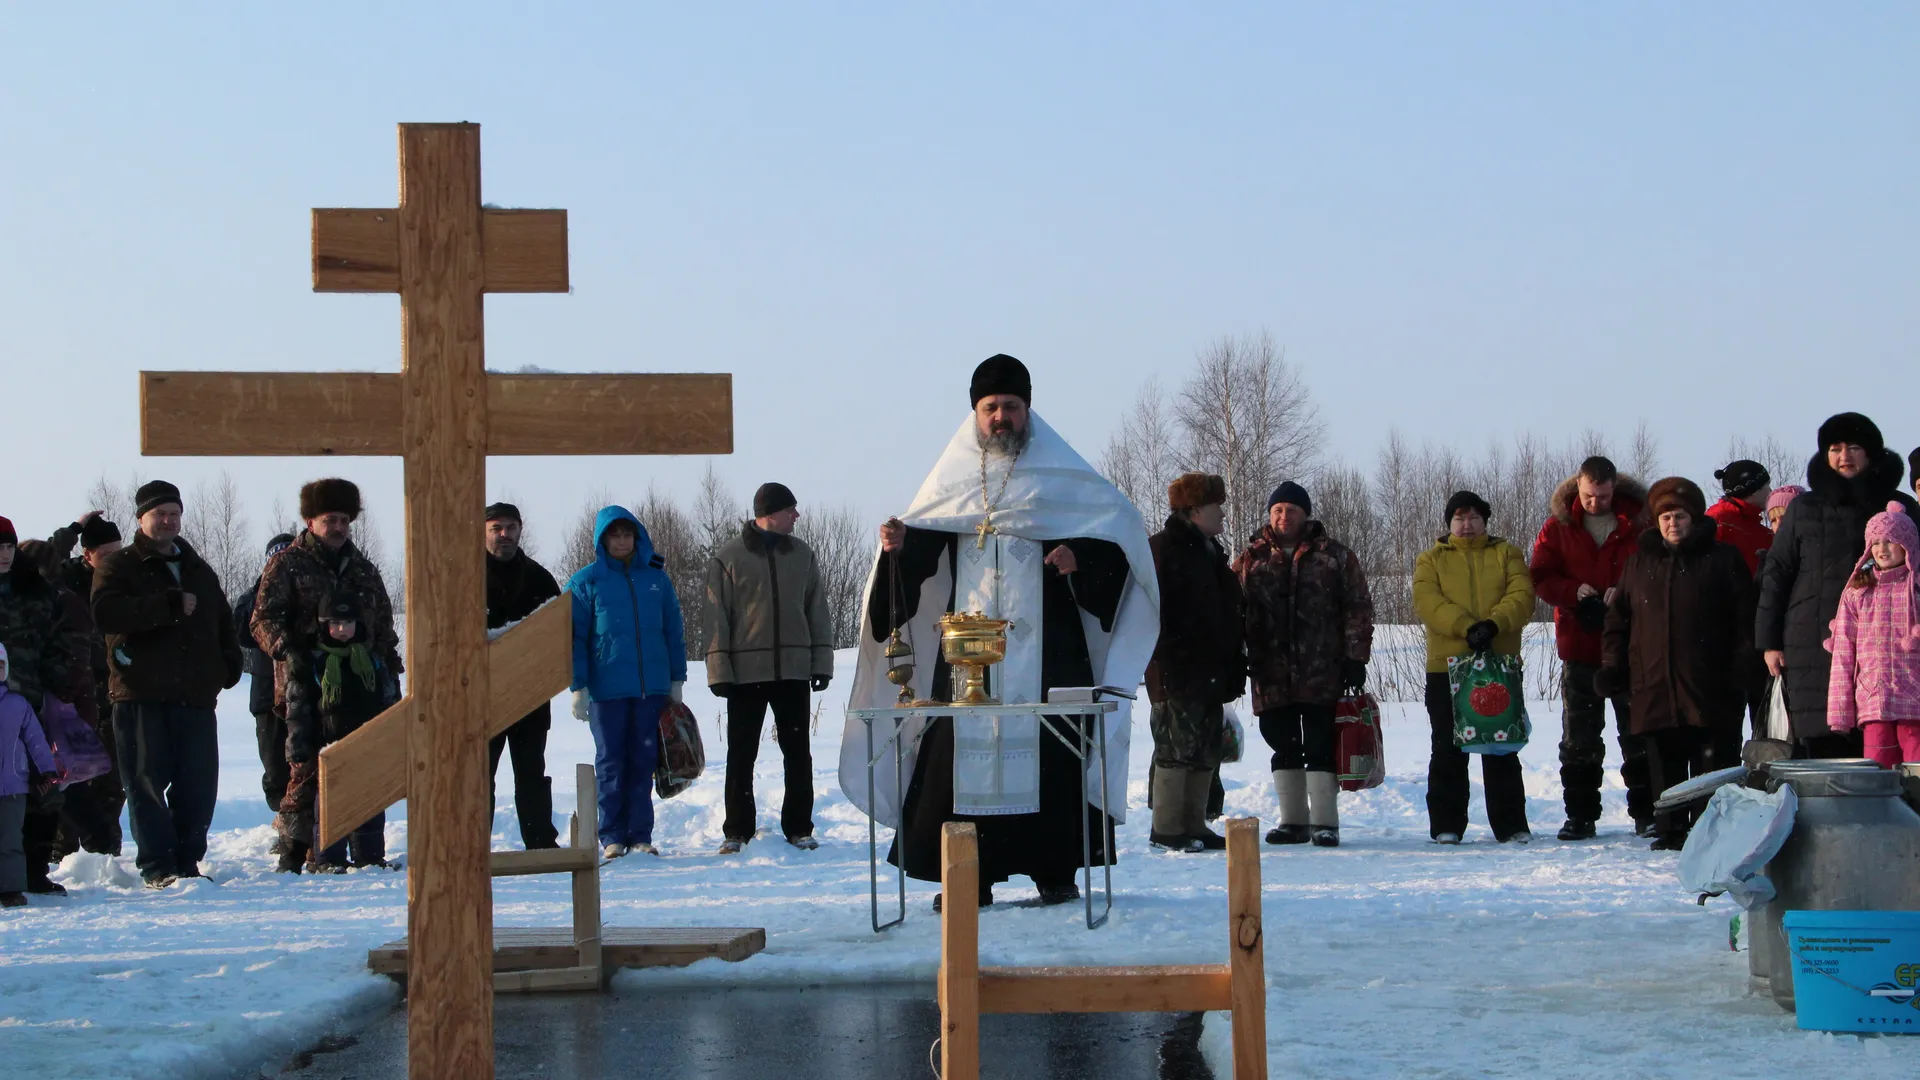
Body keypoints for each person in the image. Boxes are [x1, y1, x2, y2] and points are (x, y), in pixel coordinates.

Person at [837, 355, 1156, 909]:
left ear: (1028, 410)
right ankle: (968, 875)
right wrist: (898, 548)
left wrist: (1076, 556)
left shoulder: (1060, 478)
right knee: (957, 755)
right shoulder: (952, 484)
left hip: (1047, 651)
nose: (1001, 417)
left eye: (1011, 406)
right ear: (975, 414)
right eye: (991, 408)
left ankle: (1054, 868)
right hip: (965, 657)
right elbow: (919, 559)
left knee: (1053, 756)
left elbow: (1116, 541)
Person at [91, 482, 242, 889]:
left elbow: (222, 620)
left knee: (198, 785)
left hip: (194, 695)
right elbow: (106, 613)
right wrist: (166, 606)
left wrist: (229, 663)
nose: (168, 520)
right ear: (141, 518)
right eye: (160, 514)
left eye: (174, 513)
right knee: (146, 783)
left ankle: (188, 862)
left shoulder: (197, 568)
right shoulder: (119, 566)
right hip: (140, 693)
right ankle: (158, 866)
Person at [251, 479, 402, 870]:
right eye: (329, 519)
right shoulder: (286, 563)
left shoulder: (364, 570)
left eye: (343, 520)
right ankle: (294, 850)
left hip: (360, 687)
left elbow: (383, 627)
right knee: (306, 771)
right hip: (306, 686)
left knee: (362, 767)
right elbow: (262, 619)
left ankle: (365, 851)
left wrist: (388, 673)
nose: (337, 527)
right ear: (309, 520)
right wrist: (290, 652)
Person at [1597, 478, 1753, 850]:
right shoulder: (1640, 563)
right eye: (1665, 516)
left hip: (1711, 685)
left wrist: (1744, 665)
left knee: (1712, 763)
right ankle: (1669, 831)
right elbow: (1618, 621)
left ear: (1694, 518)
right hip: (1654, 684)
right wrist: (1612, 666)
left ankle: (1710, 833)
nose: (1672, 524)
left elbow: (1746, 618)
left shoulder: (1722, 559)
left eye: (1679, 516)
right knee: (1663, 762)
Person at [1756, 413, 1920, 757]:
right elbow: (1777, 573)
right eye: (1835, 448)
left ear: (1871, 453)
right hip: (1812, 645)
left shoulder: (1902, 508)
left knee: (1892, 755)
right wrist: (1769, 641)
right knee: (1824, 749)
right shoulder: (1804, 508)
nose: (1844, 456)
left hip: (1892, 651)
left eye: (1854, 447)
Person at [1234, 481, 1373, 848]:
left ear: (1306, 515)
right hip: (1270, 669)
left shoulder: (1335, 556)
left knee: (1320, 742)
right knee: (1281, 742)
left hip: (1322, 667)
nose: (1284, 516)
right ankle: (1293, 821)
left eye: (1291, 510)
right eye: (1277, 510)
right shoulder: (1252, 557)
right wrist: (1235, 654)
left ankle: (1325, 822)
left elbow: (1357, 606)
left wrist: (1355, 657)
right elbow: (1234, 608)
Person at [704, 482, 834, 854]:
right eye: (791, 509)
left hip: (794, 670)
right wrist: (719, 671)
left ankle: (799, 827)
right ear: (770, 513)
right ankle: (737, 830)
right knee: (741, 754)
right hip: (746, 674)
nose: (797, 515)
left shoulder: (803, 555)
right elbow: (716, 618)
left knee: (798, 752)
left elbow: (817, 612)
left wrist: (820, 662)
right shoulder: (729, 557)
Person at [1530, 456, 1654, 841]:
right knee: (1579, 737)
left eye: (1601, 496)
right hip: (1579, 645)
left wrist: (1627, 589)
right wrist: (1573, 592)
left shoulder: (1640, 524)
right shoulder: (1558, 527)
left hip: (1631, 646)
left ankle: (1646, 812)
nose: (1595, 503)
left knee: (1638, 733)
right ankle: (1580, 815)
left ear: (1613, 488)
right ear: (1578, 488)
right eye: (1588, 497)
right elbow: (1540, 576)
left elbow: (1655, 569)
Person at [1415, 492, 1536, 845]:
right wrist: (1466, 627)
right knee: (1447, 747)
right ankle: (1446, 825)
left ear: (1485, 521)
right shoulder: (1431, 560)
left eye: (1473, 518)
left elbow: (1522, 595)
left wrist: (1493, 625)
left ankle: (1512, 825)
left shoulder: (1507, 554)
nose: (1466, 525)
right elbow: (1427, 601)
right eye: (1459, 518)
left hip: (1498, 664)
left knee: (1502, 745)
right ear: (1449, 523)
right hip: (1446, 667)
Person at [568, 507, 686, 860]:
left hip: (650, 689)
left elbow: (673, 632)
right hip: (606, 691)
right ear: (602, 539)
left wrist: (676, 678)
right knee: (611, 763)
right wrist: (579, 686)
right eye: (614, 535)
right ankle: (612, 836)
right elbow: (574, 638)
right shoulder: (585, 582)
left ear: (637, 537)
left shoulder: (655, 579)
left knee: (643, 761)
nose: (621, 541)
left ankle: (640, 835)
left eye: (627, 534)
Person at [1145, 473, 1244, 853]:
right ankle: (1168, 827)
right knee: (1175, 746)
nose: (1223, 512)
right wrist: (1173, 656)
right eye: (1217, 505)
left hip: (1210, 670)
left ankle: (1194, 824)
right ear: (1196, 509)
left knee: (1204, 746)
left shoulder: (1209, 551)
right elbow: (1154, 613)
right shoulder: (1164, 549)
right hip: (1176, 670)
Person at [276, 594, 395, 871]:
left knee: (370, 801)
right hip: (327, 747)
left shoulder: (372, 660)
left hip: (367, 742)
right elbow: (297, 708)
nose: (342, 629)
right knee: (329, 806)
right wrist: (298, 746)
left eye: (349, 622)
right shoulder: (315, 662)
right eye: (336, 623)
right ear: (323, 625)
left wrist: (392, 737)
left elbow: (388, 700)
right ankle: (327, 857)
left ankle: (370, 856)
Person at [20, 537, 120, 860]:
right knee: (56, 779)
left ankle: (97, 840)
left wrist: (51, 693)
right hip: (49, 703)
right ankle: (79, 843)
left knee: (60, 779)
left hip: (58, 707)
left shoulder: (59, 601)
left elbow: (74, 659)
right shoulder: (36, 598)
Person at [0, 517, 74, 896]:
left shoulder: (35, 589)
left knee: (44, 787)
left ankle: (33, 870)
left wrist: (59, 677)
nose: (4, 554)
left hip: (28, 702)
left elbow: (57, 638)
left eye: (9, 547)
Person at [484, 504, 562, 850]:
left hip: (530, 693)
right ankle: (472, 843)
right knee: (478, 777)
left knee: (531, 774)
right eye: (497, 528)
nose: (505, 534)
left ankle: (540, 840)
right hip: (480, 696)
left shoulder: (539, 577)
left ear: (520, 530)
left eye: (511, 527)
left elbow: (559, 633)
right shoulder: (463, 578)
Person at [1824, 501, 1920, 769]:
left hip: (1916, 704)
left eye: (1890, 541)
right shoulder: (1857, 592)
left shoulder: (1917, 589)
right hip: (1873, 702)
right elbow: (1843, 653)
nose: (1882, 549)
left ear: (1907, 545)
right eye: (1875, 543)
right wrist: (1840, 712)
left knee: (1917, 775)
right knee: (1878, 775)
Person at [1706, 461, 1775, 743]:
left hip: (1755, 630)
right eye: (1765, 486)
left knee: (1762, 716)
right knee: (1730, 718)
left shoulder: (1754, 524)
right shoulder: (1719, 523)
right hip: (1731, 633)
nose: (1770, 491)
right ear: (1751, 489)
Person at [231, 534, 295, 819]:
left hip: (303, 689)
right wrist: (263, 587)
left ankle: (309, 822)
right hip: (266, 695)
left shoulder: (305, 591)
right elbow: (242, 633)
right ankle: (282, 818)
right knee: (274, 764)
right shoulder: (254, 595)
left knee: (304, 761)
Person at [1, 643, 62, 908]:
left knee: (10, 839)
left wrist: (45, 768)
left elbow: (35, 739)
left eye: (0, 666)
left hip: (12, 786)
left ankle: (11, 888)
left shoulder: (17, 704)